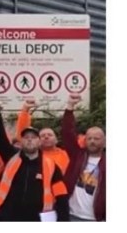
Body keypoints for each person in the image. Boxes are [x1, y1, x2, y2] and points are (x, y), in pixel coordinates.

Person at [0, 103, 69, 221]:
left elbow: (61, 195)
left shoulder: (51, 165)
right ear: (21, 141)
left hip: (38, 218)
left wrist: (63, 220)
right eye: (26, 137)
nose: (29, 140)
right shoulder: (11, 156)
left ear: (39, 142)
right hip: (9, 217)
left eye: (33, 137)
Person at [63, 94, 105, 222]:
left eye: (96, 138)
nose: (92, 141)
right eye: (89, 138)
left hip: (96, 219)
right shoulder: (77, 155)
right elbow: (67, 133)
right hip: (71, 215)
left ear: (104, 142)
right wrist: (70, 107)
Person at [17, 99, 70, 172]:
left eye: (50, 135)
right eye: (42, 135)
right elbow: (23, 133)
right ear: (38, 141)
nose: (46, 137)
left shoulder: (66, 155)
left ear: (56, 140)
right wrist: (25, 110)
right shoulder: (33, 155)